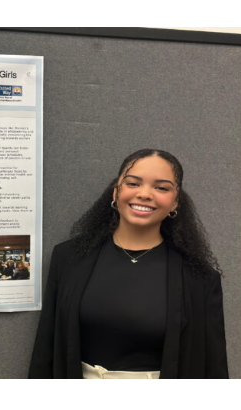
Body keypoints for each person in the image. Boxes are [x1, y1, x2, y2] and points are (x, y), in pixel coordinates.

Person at [29, 148, 228, 378]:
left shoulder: (199, 276)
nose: (145, 194)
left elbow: (213, 362)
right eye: (133, 183)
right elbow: (46, 345)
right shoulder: (69, 257)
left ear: (175, 202)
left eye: (161, 188)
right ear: (115, 193)